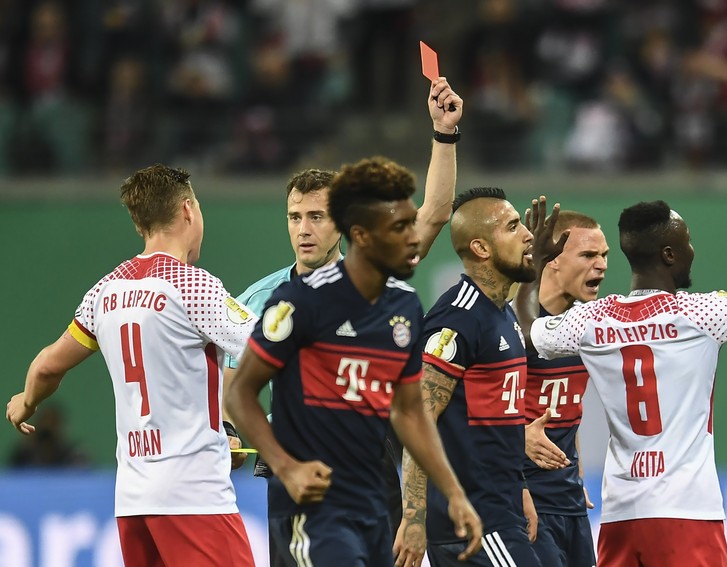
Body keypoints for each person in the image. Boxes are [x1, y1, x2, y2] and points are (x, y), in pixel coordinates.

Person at [516, 171, 727, 566]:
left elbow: (526, 332)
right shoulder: (699, 314)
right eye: (688, 241)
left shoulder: (594, 320)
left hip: (621, 515)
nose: (693, 249)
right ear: (669, 255)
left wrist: (536, 265)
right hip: (687, 513)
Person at [222, 76, 464, 537]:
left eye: (317, 217)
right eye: (295, 217)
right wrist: (238, 437)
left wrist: (444, 133)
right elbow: (233, 389)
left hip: (369, 465)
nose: (303, 229)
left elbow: (433, 212)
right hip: (296, 472)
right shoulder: (257, 299)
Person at [6, 164, 258, 567]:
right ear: (189, 210)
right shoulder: (192, 285)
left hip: (133, 502)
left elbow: (47, 367)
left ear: (139, 223)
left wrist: (26, 401)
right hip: (193, 496)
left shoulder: (106, 290)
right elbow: (267, 349)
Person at [394, 189, 564, 567]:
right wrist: (413, 518)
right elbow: (417, 419)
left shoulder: (501, 314)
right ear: (482, 248)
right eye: (512, 226)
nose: (528, 235)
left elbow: (494, 423)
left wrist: (519, 489)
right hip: (474, 519)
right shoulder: (458, 317)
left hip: (500, 510)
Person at [516, 211, 607, 567]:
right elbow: (466, 412)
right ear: (551, 259)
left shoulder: (585, 327)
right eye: (587, 256)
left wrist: (578, 472)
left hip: (570, 501)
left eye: (604, 256)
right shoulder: (507, 326)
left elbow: (568, 408)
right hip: (524, 500)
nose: (600, 266)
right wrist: (517, 438)